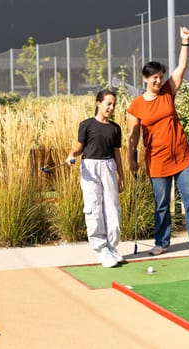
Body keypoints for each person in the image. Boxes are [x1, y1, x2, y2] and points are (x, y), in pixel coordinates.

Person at [126, 26, 189, 257]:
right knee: (162, 205)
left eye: (161, 76)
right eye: (154, 77)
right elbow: (133, 135)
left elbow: (181, 67)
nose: (159, 80)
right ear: (145, 78)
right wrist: (131, 159)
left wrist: (185, 41)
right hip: (157, 161)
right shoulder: (136, 105)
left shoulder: (168, 92)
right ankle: (161, 242)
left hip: (182, 157)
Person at [65, 90, 125, 268]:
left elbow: (117, 154)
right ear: (98, 103)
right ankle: (101, 250)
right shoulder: (87, 125)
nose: (111, 107)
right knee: (94, 208)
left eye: (113, 104)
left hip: (108, 167)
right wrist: (70, 155)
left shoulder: (115, 128)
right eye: (108, 104)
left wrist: (121, 176)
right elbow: (78, 148)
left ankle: (112, 247)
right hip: (90, 167)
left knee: (112, 208)